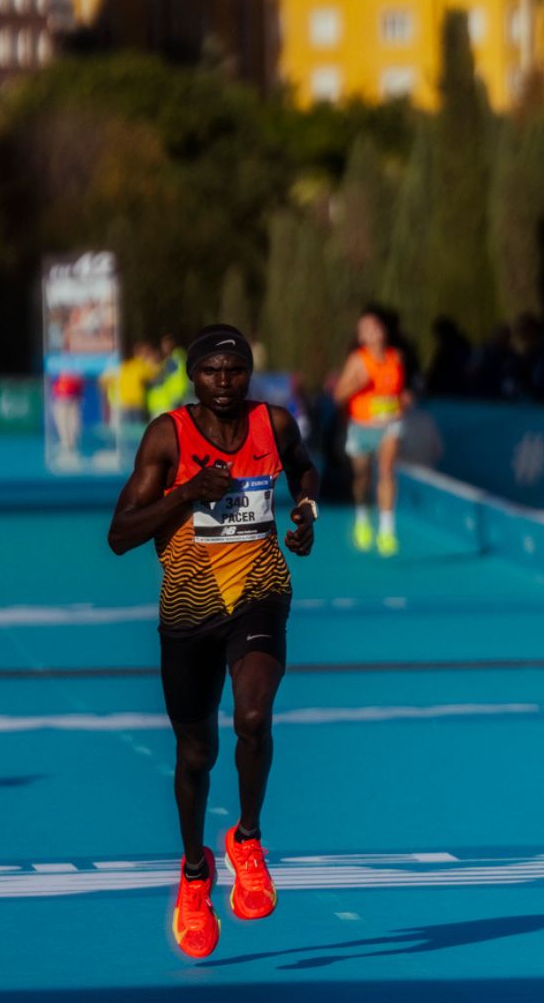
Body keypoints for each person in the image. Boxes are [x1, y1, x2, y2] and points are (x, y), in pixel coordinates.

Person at [105, 324, 318, 960]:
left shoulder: (273, 424)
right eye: (211, 371)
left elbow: (304, 470)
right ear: (193, 376)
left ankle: (247, 840)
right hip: (188, 608)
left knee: (253, 717)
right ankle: (195, 873)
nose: (224, 382)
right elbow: (120, 535)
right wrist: (188, 493)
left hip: (260, 589)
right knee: (196, 752)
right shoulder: (167, 436)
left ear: (249, 372)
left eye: (235, 370)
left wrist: (306, 510)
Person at [333, 307, 410, 555]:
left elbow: (399, 391)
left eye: (376, 326)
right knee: (362, 477)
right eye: (366, 329)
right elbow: (338, 395)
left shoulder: (396, 357)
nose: (373, 331)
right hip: (362, 426)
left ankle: (387, 531)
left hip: (390, 424)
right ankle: (362, 517)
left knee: (386, 470)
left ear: (383, 331)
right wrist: (356, 384)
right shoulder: (357, 361)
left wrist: (404, 399)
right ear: (361, 337)